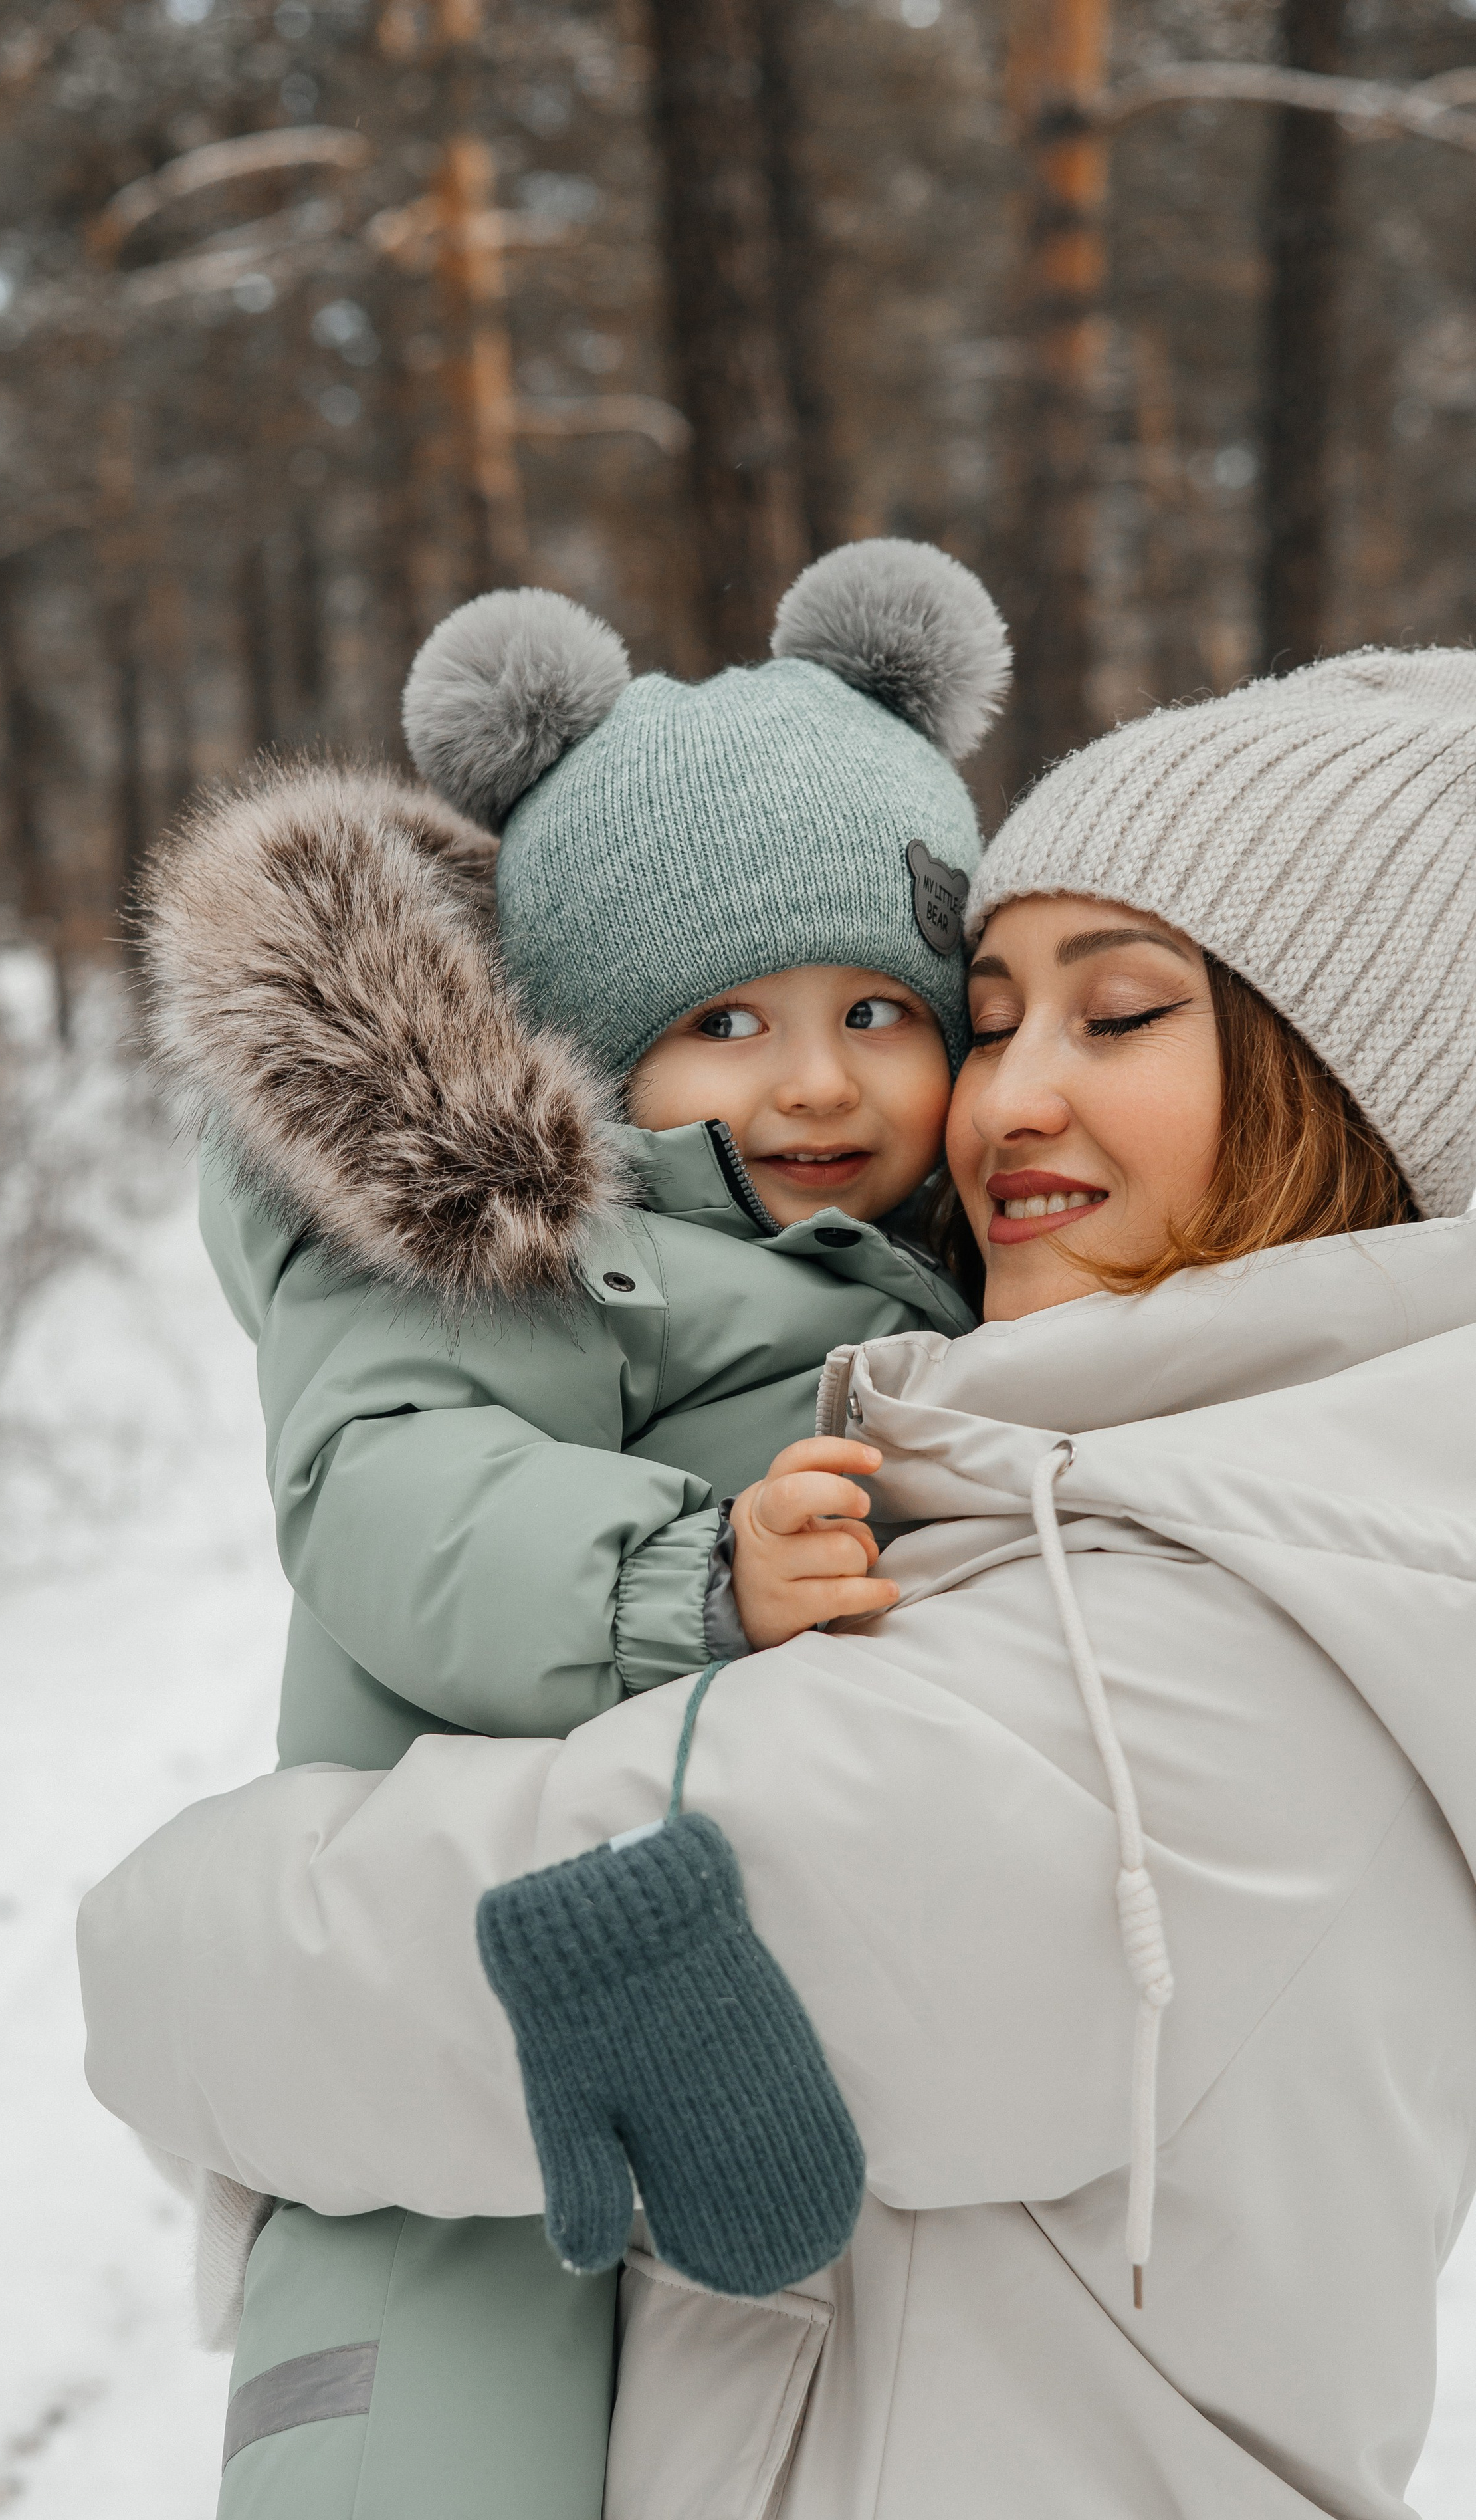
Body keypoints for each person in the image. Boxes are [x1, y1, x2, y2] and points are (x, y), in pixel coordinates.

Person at [84, 646, 1476, 2518]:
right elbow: (394, 1483)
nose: (1000, 1105)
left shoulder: (1209, 1626)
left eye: (1120, 1015)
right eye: (994, 1019)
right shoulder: (1144, 1472)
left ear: (1364, 1087)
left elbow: (278, 1980)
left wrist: (202, 1901)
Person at [135, 536, 1010, 2517]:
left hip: (716, 2000)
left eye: (882, 1009)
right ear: (597, 1045)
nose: (817, 1081)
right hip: (439, 1991)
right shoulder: (514, 1246)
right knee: (425, 2433)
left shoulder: (925, 1265)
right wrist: (689, 1572)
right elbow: (385, 1486)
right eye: (728, 1022)